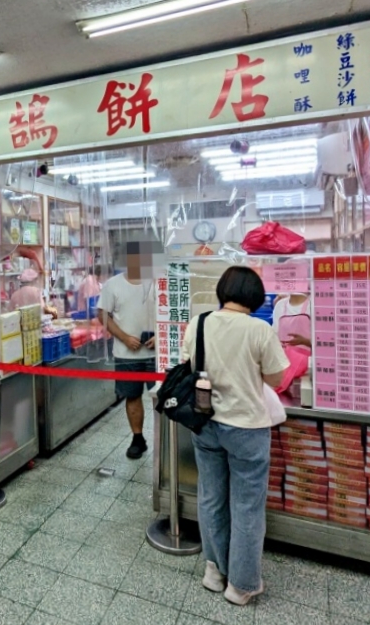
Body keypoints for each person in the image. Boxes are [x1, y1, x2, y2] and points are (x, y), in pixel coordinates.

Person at [180, 266, 289, 606]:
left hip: (206, 422)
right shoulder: (259, 329)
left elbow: (187, 365)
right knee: (247, 506)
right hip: (247, 428)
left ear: (222, 291)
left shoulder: (198, 323)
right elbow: (276, 378)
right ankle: (240, 585)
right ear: (255, 297)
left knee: (211, 497)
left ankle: (214, 571)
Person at [97, 246, 157, 460]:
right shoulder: (113, 285)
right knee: (132, 396)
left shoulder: (159, 283)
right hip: (126, 354)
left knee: (161, 398)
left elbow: (170, 313)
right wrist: (123, 337)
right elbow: (102, 314)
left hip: (157, 354)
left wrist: (160, 335)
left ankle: (164, 440)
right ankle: (138, 439)